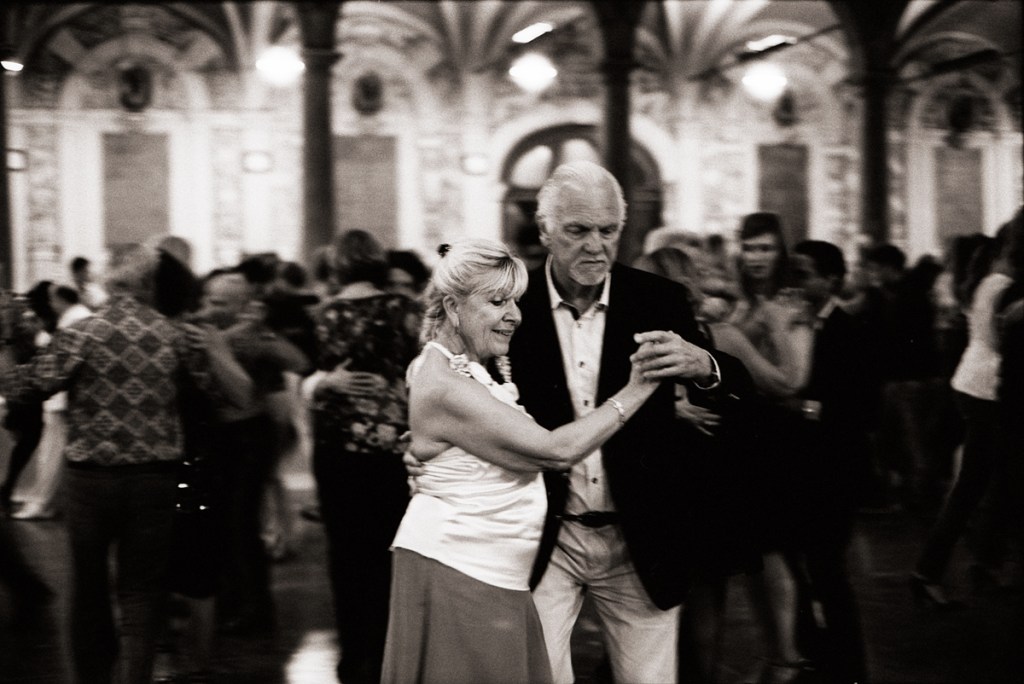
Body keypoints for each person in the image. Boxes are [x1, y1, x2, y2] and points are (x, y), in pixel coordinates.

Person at [383, 237, 665, 684]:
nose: (514, 314)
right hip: (460, 566)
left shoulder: (465, 367)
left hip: (491, 570)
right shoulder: (446, 381)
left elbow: (472, 441)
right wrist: (638, 388)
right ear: (453, 306)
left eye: (514, 301)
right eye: (497, 302)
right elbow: (556, 451)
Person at [509, 161, 740, 684]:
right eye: (577, 230)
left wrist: (704, 365)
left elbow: (733, 392)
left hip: (637, 536)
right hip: (545, 535)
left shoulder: (657, 300)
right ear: (544, 230)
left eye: (608, 230)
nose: (596, 246)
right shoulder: (513, 305)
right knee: (537, 675)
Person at [0, 245, 251, 684]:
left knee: (90, 588)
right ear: (150, 283)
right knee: (141, 592)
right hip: (156, 478)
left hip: (89, 481)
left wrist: (5, 342)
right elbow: (221, 397)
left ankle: (93, 677)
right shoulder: (174, 336)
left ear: (109, 281)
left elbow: (23, 388)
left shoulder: (84, 333)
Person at [306, 229, 421, 684]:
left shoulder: (324, 314)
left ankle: (352, 654)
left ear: (337, 263)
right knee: (392, 550)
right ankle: (388, 652)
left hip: (337, 447)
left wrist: (328, 383)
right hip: (392, 446)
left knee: (345, 554)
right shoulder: (405, 310)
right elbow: (423, 369)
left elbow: (312, 377)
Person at [788, 239, 871, 683]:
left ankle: (848, 665)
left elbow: (860, 407)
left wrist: (804, 407)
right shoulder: (799, 325)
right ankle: (816, 656)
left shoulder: (847, 330)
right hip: (806, 466)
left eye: (804, 274)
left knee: (827, 570)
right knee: (802, 569)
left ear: (831, 280)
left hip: (835, 470)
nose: (796, 283)